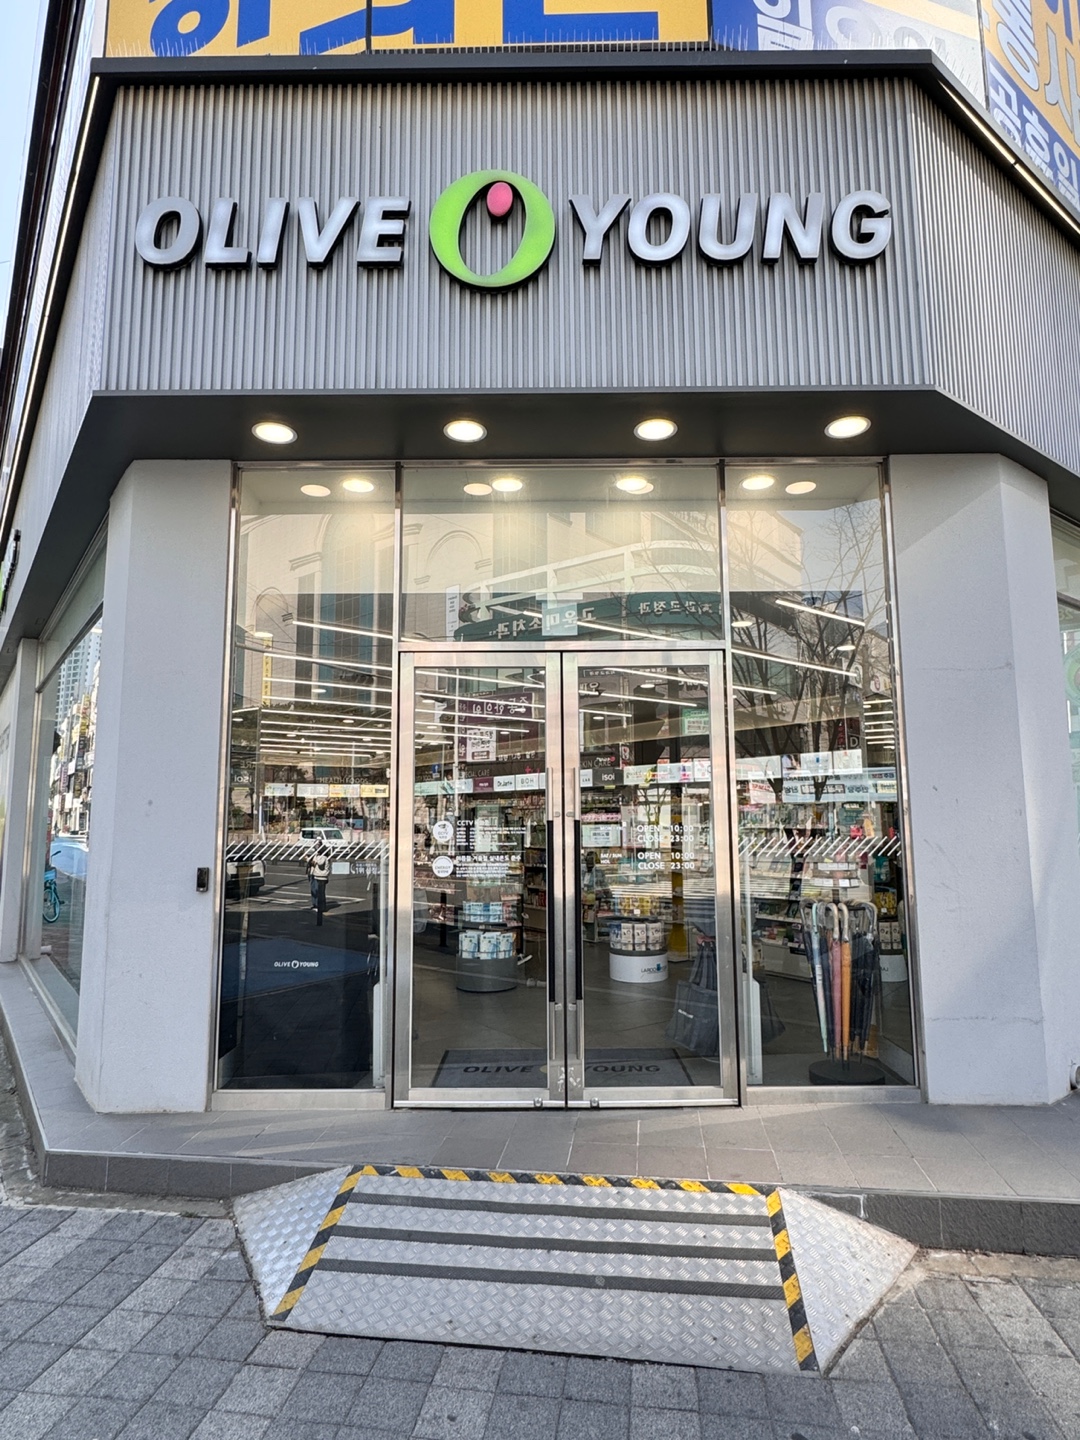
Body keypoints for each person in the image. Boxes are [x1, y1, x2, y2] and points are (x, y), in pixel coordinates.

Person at [307, 842, 331, 926]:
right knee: (317, 891)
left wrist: (313, 859)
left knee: (320, 893)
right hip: (317, 875)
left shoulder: (323, 857)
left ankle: (320, 907)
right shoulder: (320, 856)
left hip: (321, 877)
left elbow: (319, 863)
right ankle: (317, 906)